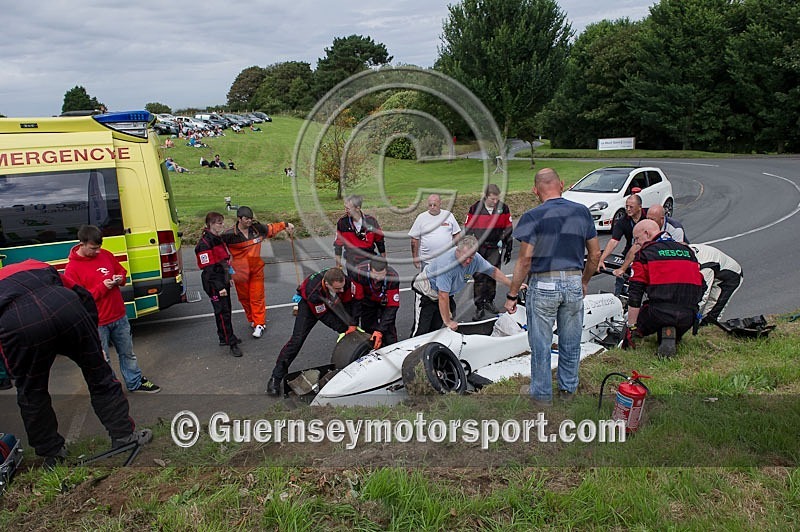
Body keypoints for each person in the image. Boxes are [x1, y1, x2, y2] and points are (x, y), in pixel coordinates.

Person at [0, 259, 152, 467]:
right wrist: (89, 334)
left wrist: (14, 372)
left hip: (20, 324)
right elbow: (82, 294)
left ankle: (52, 454)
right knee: (100, 376)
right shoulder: (35, 264)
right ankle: (124, 435)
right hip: (67, 307)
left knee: (31, 393)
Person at [504, 168, 600, 405]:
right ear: (562, 184)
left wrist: (512, 294)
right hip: (573, 280)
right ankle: (568, 390)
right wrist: (584, 280)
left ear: (535, 190)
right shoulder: (581, 212)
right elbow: (595, 254)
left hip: (544, 282)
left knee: (541, 343)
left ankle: (542, 395)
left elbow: (525, 259)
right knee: (570, 340)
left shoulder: (533, 216)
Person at [64, 225, 161, 393]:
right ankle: (110, 387)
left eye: (99, 248)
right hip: (98, 322)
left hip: (119, 316)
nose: (97, 252)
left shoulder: (105, 255)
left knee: (128, 353)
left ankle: (135, 382)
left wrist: (119, 279)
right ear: (82, 244)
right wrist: (102, 287)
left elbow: (121, 272)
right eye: (93, 248)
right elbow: (79, 299)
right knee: (103, 359)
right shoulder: (72, 269)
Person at [267, 268, 357, 395]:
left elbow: (350, 303)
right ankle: (276, 377)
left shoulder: (344, 283)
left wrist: (352, 324)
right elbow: (324, 316)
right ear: (327, 284)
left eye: (342, 287)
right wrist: (343, 329)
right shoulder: (313, 291)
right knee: (296, 341)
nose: (341, 290)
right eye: (338, 289)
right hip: (310, 307)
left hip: (331, 300)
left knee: (351, 328)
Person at [623, 219, 703, 358]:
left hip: (658, 313)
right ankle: (671, 335)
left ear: (647, 234)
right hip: (688, 316)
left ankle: (633, 343)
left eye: (637, 239)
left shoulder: (644, 254)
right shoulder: (687, 251)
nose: (637, 244)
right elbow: (701, 283)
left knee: (639, 322)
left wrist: (631, 326)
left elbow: (635, 292)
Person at [414, 235, 514, 336]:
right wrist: (448, 321)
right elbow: (443, 295)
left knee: (436, 329)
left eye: (471, 257)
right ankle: (413, 349)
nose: (468, 261)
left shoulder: (475, 259)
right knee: (422, 331)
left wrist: (513, 285)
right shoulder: (446, 264)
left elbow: (493, 271)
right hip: (427, 293)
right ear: (457, 251)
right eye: (465, 257)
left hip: (444, 294)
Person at [221, 206, 294, 338]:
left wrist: (285, 225)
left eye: (250, 219)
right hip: (240, 273)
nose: (249, 221)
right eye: (246, 219)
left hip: (256, 270)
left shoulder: (257, 229)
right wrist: (226, 271)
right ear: (239, 219)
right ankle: (253, 320)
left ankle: (259, 323)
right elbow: (218, 250)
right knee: (244, 298)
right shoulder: (229, 235)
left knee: (257, 297)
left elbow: (271, 228)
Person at [409, 194, 461, 336]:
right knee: (429, 290)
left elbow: (457, 234)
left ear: (440, 203)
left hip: (447, 262)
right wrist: (415, 257)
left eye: (435, 205)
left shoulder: (448, 216)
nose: (432, 207)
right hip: (428, 262)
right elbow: (414, 239)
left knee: (445, 289)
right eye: (430, 205)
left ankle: (444, 317)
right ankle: (423, 323)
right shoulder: (421, 218)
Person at [195, 212, 243, 357]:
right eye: (219, 223)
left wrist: (229, 277)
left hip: (222, 279)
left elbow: (224, 261)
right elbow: (209, 269)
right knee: (224, 312)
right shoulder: (204, 244)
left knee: (224, 309)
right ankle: (231, 342)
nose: (222, 225)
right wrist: (220, 287)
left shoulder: (217, 239)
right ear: (210, 224)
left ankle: (223, 337)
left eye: (222, 222)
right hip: (214, 283)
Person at [464, 184, 514, 320]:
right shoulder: (475, 208)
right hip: (479, 247)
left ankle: (489, 301)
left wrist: (508, 246)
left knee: (492, 275)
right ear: (486, 197)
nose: (495, 202)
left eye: (497, 199)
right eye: (492, 199)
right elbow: (468, 229)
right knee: (479, 277)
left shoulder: (503, 208)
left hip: (495, 247)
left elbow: (508, 228)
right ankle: (480, 305)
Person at [612, 203, 688, 277]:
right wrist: (623, 269)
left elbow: (677, 255)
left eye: (652, 219)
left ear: (662, 219)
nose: (649, 221)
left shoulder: (675, 229)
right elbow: (636, 247)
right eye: (648, 218)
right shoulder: (647, 226)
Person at [598, 194, 647, 296]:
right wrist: (602, 259)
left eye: (631, 207)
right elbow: (614, 241)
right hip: (629, 252)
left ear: (640, 207)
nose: (628, 209)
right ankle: (618, 297)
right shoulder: (623, 221)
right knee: (620, 276)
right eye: (626, 206)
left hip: (647, 253)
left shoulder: (648, 216)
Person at [350, 257, 400, 349]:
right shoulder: (358, 273)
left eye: (382, 275)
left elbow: (392, 306)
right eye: (376, 275)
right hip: (367, 301)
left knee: (389, 332)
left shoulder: (393, 277)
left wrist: (380, 330)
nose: (378, 279)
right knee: (368, 329)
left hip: (385, 302)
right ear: (370, 269)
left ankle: (392, 350)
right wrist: (353, 323)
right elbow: (357, 299)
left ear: (386, 270)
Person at [690, 244, 743, 326]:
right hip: (714, 265)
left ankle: (707, 331)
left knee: (712, 311)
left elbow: (703, 295)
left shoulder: (705, 268)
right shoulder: (680, 252)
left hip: (729, 278)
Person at [333, 195, 385, 275]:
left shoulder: (371, 221)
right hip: (352, 262)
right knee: (354, 285)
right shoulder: (342, 222)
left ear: (358, 208)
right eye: (345, 208)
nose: (345, 211)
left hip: (369, 260)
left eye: (348, 208)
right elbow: (338, 246)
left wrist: (383, 261)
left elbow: (380, 242)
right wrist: (338, 266)